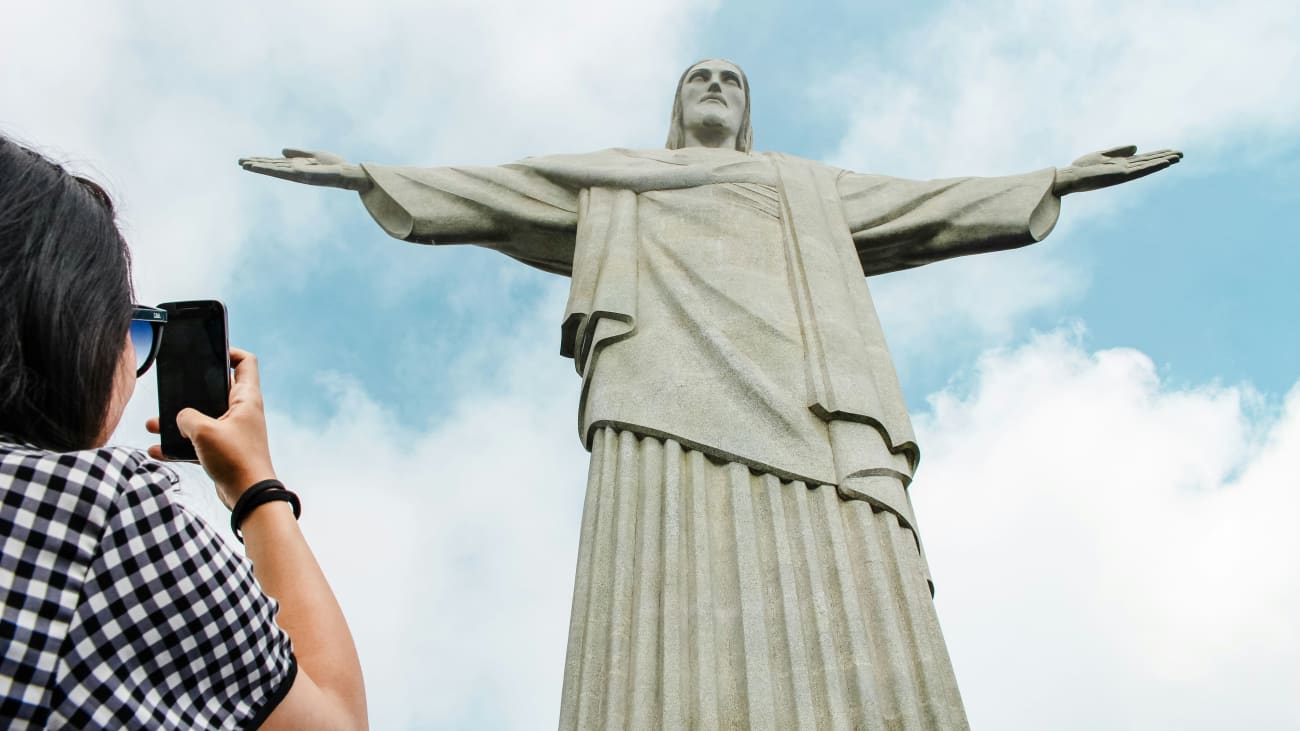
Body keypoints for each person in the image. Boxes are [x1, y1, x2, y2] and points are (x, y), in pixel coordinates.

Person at [240, 59, 1180, 728]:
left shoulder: (804, 187)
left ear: (749, 111)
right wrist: (368, 174)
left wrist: (1052, 179)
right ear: (675, 108)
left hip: (813, 406)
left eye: (732, 81)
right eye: (700, 79)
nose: (717, 90)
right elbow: (499, 190)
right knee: (660, 578)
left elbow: (926, 207)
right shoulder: (615, 179)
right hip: (658, 399)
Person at [0, 135, 367, 729]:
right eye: (133, 328)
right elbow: (334, 722)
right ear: (61, 321)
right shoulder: (93, 513)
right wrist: (254, 485)